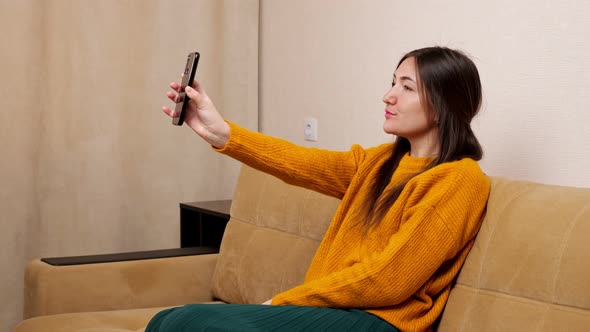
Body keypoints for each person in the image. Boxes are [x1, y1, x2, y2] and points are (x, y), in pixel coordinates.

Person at [147, 46, 491, 332]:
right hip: (338, 313)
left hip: (381, 322)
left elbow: (388, 280)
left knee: (191, 321)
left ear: (446, 105)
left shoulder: (459, 179)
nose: (388, 96)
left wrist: (287, 300)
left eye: (407, 87)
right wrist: (221, 132)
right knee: (165, 320)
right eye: (392, 83)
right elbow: (299, 162)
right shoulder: (380, 162)